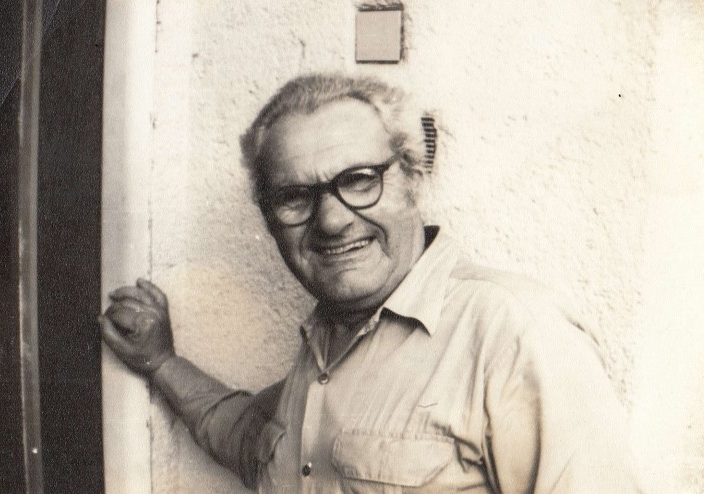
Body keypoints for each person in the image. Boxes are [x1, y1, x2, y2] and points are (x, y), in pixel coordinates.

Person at [99, 73, 642, 493]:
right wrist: (160, 363)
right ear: (269, 218)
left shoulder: (512, 332)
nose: (332, 220)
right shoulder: (325, 343)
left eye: (359, 180)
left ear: (412, 178)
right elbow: (252, 441)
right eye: (294, 196)